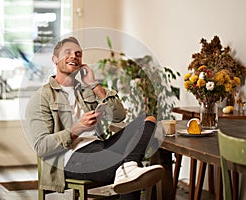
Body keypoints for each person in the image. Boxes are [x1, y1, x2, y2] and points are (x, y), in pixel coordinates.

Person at [25, 36, 164, 199]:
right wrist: (78, 128)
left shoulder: (87, 90)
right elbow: (42, 147)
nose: (74, 56)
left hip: (100, 146)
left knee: (148, 119)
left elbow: (120, 116)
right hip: (71, 158)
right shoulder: (42, 97)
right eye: (67, 52)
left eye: (78, 54)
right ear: (54, 59)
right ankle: (128, 167)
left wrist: (94, 84)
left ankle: (128, 166)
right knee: (130, 171)